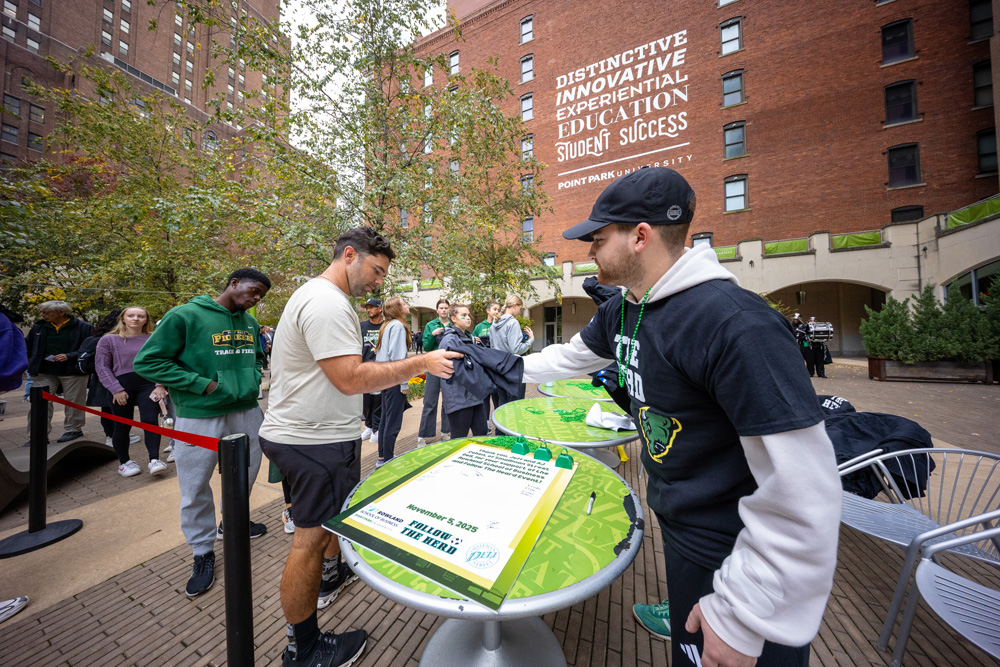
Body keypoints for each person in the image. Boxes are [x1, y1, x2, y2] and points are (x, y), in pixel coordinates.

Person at [519, 168, 840, 667]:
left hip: (739, 552)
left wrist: (742, 613)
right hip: (682, 529)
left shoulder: (735, 324)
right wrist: (486, 365)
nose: (589, 253)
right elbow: (567, 359)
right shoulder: (627, 308)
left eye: (598, 240)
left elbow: (804, 490)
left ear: (640, 237)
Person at [257, 227, 461, 667]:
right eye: (376, 270)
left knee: (328, 524)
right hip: (313, 442)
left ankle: (332, 577)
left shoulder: (320, 297)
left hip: (315, 435)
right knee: (308, 542)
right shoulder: (328, 303)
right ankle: (303, 648)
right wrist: (421, 363)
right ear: (350, 255)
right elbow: (350, 377)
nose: (379, 282)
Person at [134, 268, 272, 598]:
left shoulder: (250, 324)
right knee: (195, 486)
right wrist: (203, 385)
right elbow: (148, 362)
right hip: (199, 415)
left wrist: (252, 379)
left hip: (246, 411)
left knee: (246, 475)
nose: (255, 300)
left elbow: (256, 357)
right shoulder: (185, 315)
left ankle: (231, 522)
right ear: (234, 283)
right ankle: (201, 552)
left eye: (260, 297)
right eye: (253, 291)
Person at [96, 307, 168, 477]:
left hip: (148, 384)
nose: (135, 318)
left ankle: (154, 459)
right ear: (123, 318)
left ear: (146, 319)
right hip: (121, 386)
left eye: (140, 316)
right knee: (122, 425)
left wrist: (160, 384)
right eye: (131, 315)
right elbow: (102, 367)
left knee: (150, 420)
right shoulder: (109, 340)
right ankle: (124, 462)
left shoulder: (153, 338)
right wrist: (116, 389)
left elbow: (162, 361)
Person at [24, 301, 93, 443]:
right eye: (41, 312)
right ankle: (38, 435)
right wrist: (32, 360)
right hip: (44, 371)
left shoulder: (84, 328)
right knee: (40, 402)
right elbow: (28, 345)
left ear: (62, 313)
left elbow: (90, 348)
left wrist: (70, 356)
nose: (42, 315)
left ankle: (73, 429)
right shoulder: (39, 326)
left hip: (73, 371)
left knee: (74, 401)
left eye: (46, 313)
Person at [78, 309, 141, 450]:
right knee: (119, 409)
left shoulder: (97, 337)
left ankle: (110, 436)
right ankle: (118, 436)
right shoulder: (113, 339)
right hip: (116, 378)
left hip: (100, 379)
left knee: (106, 409)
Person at [439, 303, 491, 438]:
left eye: (468, 315)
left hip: (474, 396)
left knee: (482, 432)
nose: (468, 318)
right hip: (458, 398)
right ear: (453, 318)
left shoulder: (468, 338)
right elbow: (451, 368)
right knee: (459, 438)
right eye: (463, 315)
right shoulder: (449, 340)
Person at [373, 296, 411, 466]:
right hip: (394, 380)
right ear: (397, 309)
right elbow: (397, 357)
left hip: (386, 379)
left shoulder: (387, 325)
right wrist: (404, 383)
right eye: (403, 304)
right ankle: (387, 459)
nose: (406, 305)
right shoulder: (397, 326)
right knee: (393, 422)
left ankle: (383, 457)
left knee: (385, 420)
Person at [417, 298, 452, 445]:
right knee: (430, 401)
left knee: (448, 402)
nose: (444, 310)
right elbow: (426, 346)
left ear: (449, 310)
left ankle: (446, 432)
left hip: (449, 366)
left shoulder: (453, 325)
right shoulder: (431, 325)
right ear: (437, 310)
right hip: (433, 367)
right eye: (441, 308)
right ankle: (422, 436)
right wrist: (432, 335)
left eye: (446, 308)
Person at [490, 295, 534, 405]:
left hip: (498, 370)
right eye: (520, 308)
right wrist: (531, 340)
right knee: (515, 406)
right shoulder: (512, 322)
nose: (520, 311)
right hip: (512, 370)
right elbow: (516, 349)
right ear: (515, 305)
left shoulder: (494, 323)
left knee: (502, 406)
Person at [359, 298, 383, 444]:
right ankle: (368, 426)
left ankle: (377, 428)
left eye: (372, 307)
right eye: (367, 308)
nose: (368, 310)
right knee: (366, 400)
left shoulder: (386, 326)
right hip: (365, 369)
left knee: (378, 400)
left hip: (380, 368)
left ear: (380, 309)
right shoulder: (362, 326)